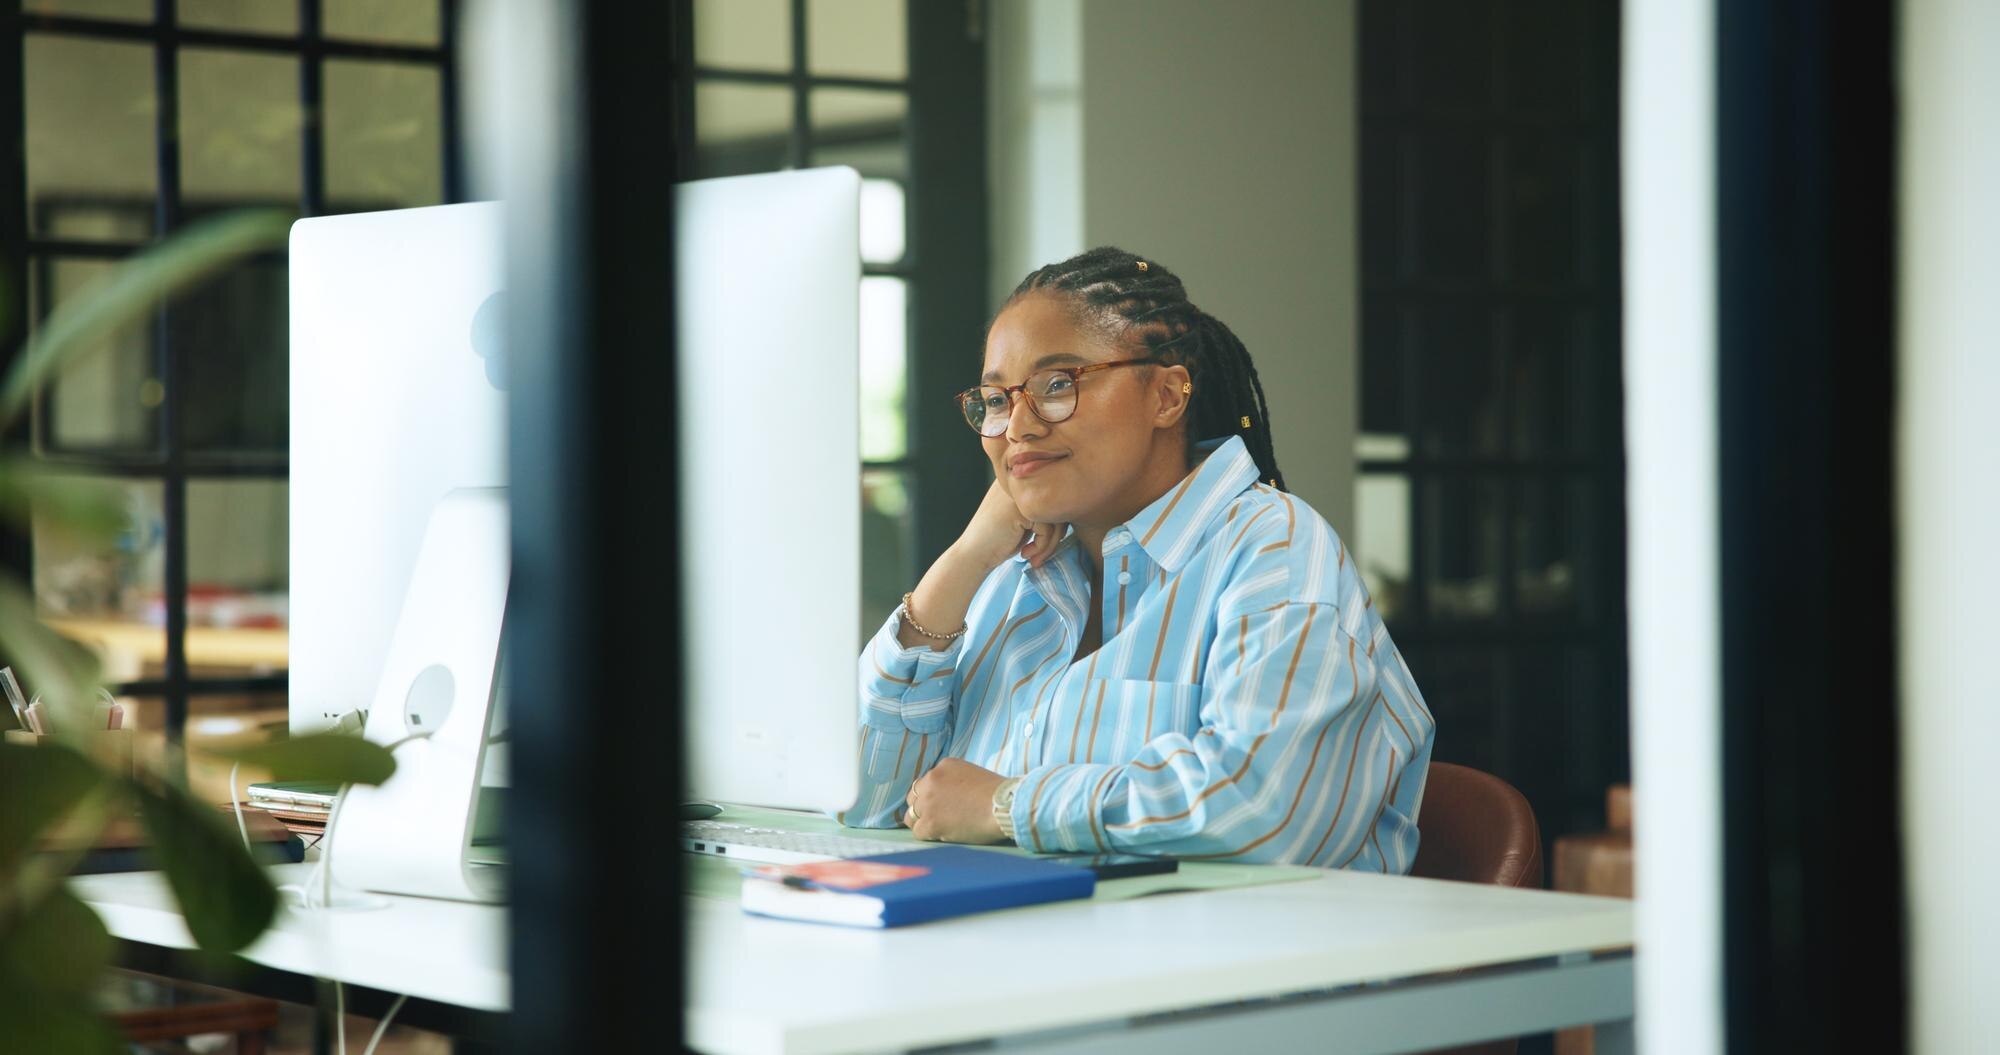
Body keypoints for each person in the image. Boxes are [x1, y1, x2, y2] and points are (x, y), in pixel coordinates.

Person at [842, 247, 1434, 871]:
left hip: (1236, 961)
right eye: (995, 399)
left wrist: (1006, 806)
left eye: (1056, 385)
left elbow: (1266, 812)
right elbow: (866, 804)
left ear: (1167, 396)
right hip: (1031, 952)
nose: (1017, 426)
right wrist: (962, 563)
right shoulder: (1012, 577)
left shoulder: (1275, 549)